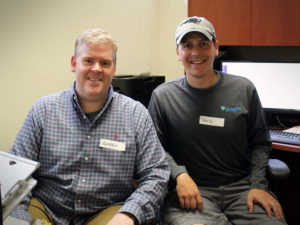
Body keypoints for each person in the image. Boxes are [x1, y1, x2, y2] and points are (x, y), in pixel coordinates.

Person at [9, 28, 170, 225]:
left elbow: (156, 174)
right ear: (73, 63)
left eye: (105, 63)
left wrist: (129, 214)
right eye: (88, 61)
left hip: (106, 212)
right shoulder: (43, 110)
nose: (96, 69)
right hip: (48, 207)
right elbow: (17, 174)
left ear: (114, 68)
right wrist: (20, 218)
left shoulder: (136, 115)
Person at [148, 16, 287, 225]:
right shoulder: (163, 96)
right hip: (191, 192)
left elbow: (260, 143)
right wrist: (179, 175)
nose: (196, 52)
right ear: (178, 53)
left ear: (216, 47)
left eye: (203, 44)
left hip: (243, 190)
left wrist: (259, 185)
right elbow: (155, 148)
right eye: (187, 45)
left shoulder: (243, 89)